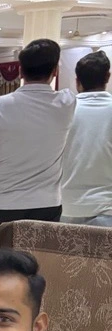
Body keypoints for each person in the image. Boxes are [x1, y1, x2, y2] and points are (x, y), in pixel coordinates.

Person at [0, 39, 76, 243]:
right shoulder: (67, 103)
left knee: (2, 271)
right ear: (55, 71)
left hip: (3, 205)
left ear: (20, 72)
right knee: (40, 270)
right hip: (47, 205)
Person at [60, 51, 112, 227]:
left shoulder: (63, 110)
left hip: (66, 206)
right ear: (108, 76)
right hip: (107, 207)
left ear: (77, 80)